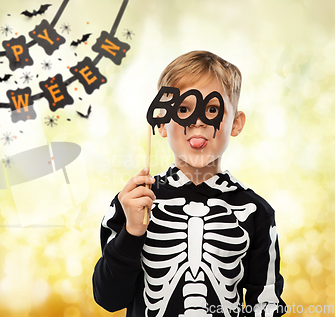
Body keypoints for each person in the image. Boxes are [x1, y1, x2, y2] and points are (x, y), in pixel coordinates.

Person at [92, 50, 286, 317]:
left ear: (235, 123)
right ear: (161, 122)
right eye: (182, 109)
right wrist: (131, 232)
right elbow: (108, 299)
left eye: (212, 110)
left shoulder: (256, 212)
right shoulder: (133, 203)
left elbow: (266, 305)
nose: (198, 122)